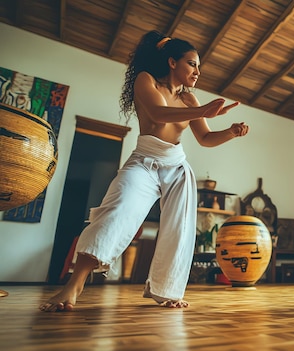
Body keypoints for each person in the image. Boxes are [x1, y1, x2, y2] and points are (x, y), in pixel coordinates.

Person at [40, 31, 248, 311]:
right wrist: (203, 112)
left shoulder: (190, 100)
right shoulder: (146, 80)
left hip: (177, 166)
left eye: (199, 66)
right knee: (116, 212)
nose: (197, 71)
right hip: (145, 161)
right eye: (192, 63)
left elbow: (206, 139)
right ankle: (73, 285)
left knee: (180, 229)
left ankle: (166, 291)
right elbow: (158, 114)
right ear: (172, 62)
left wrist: (231, 133)